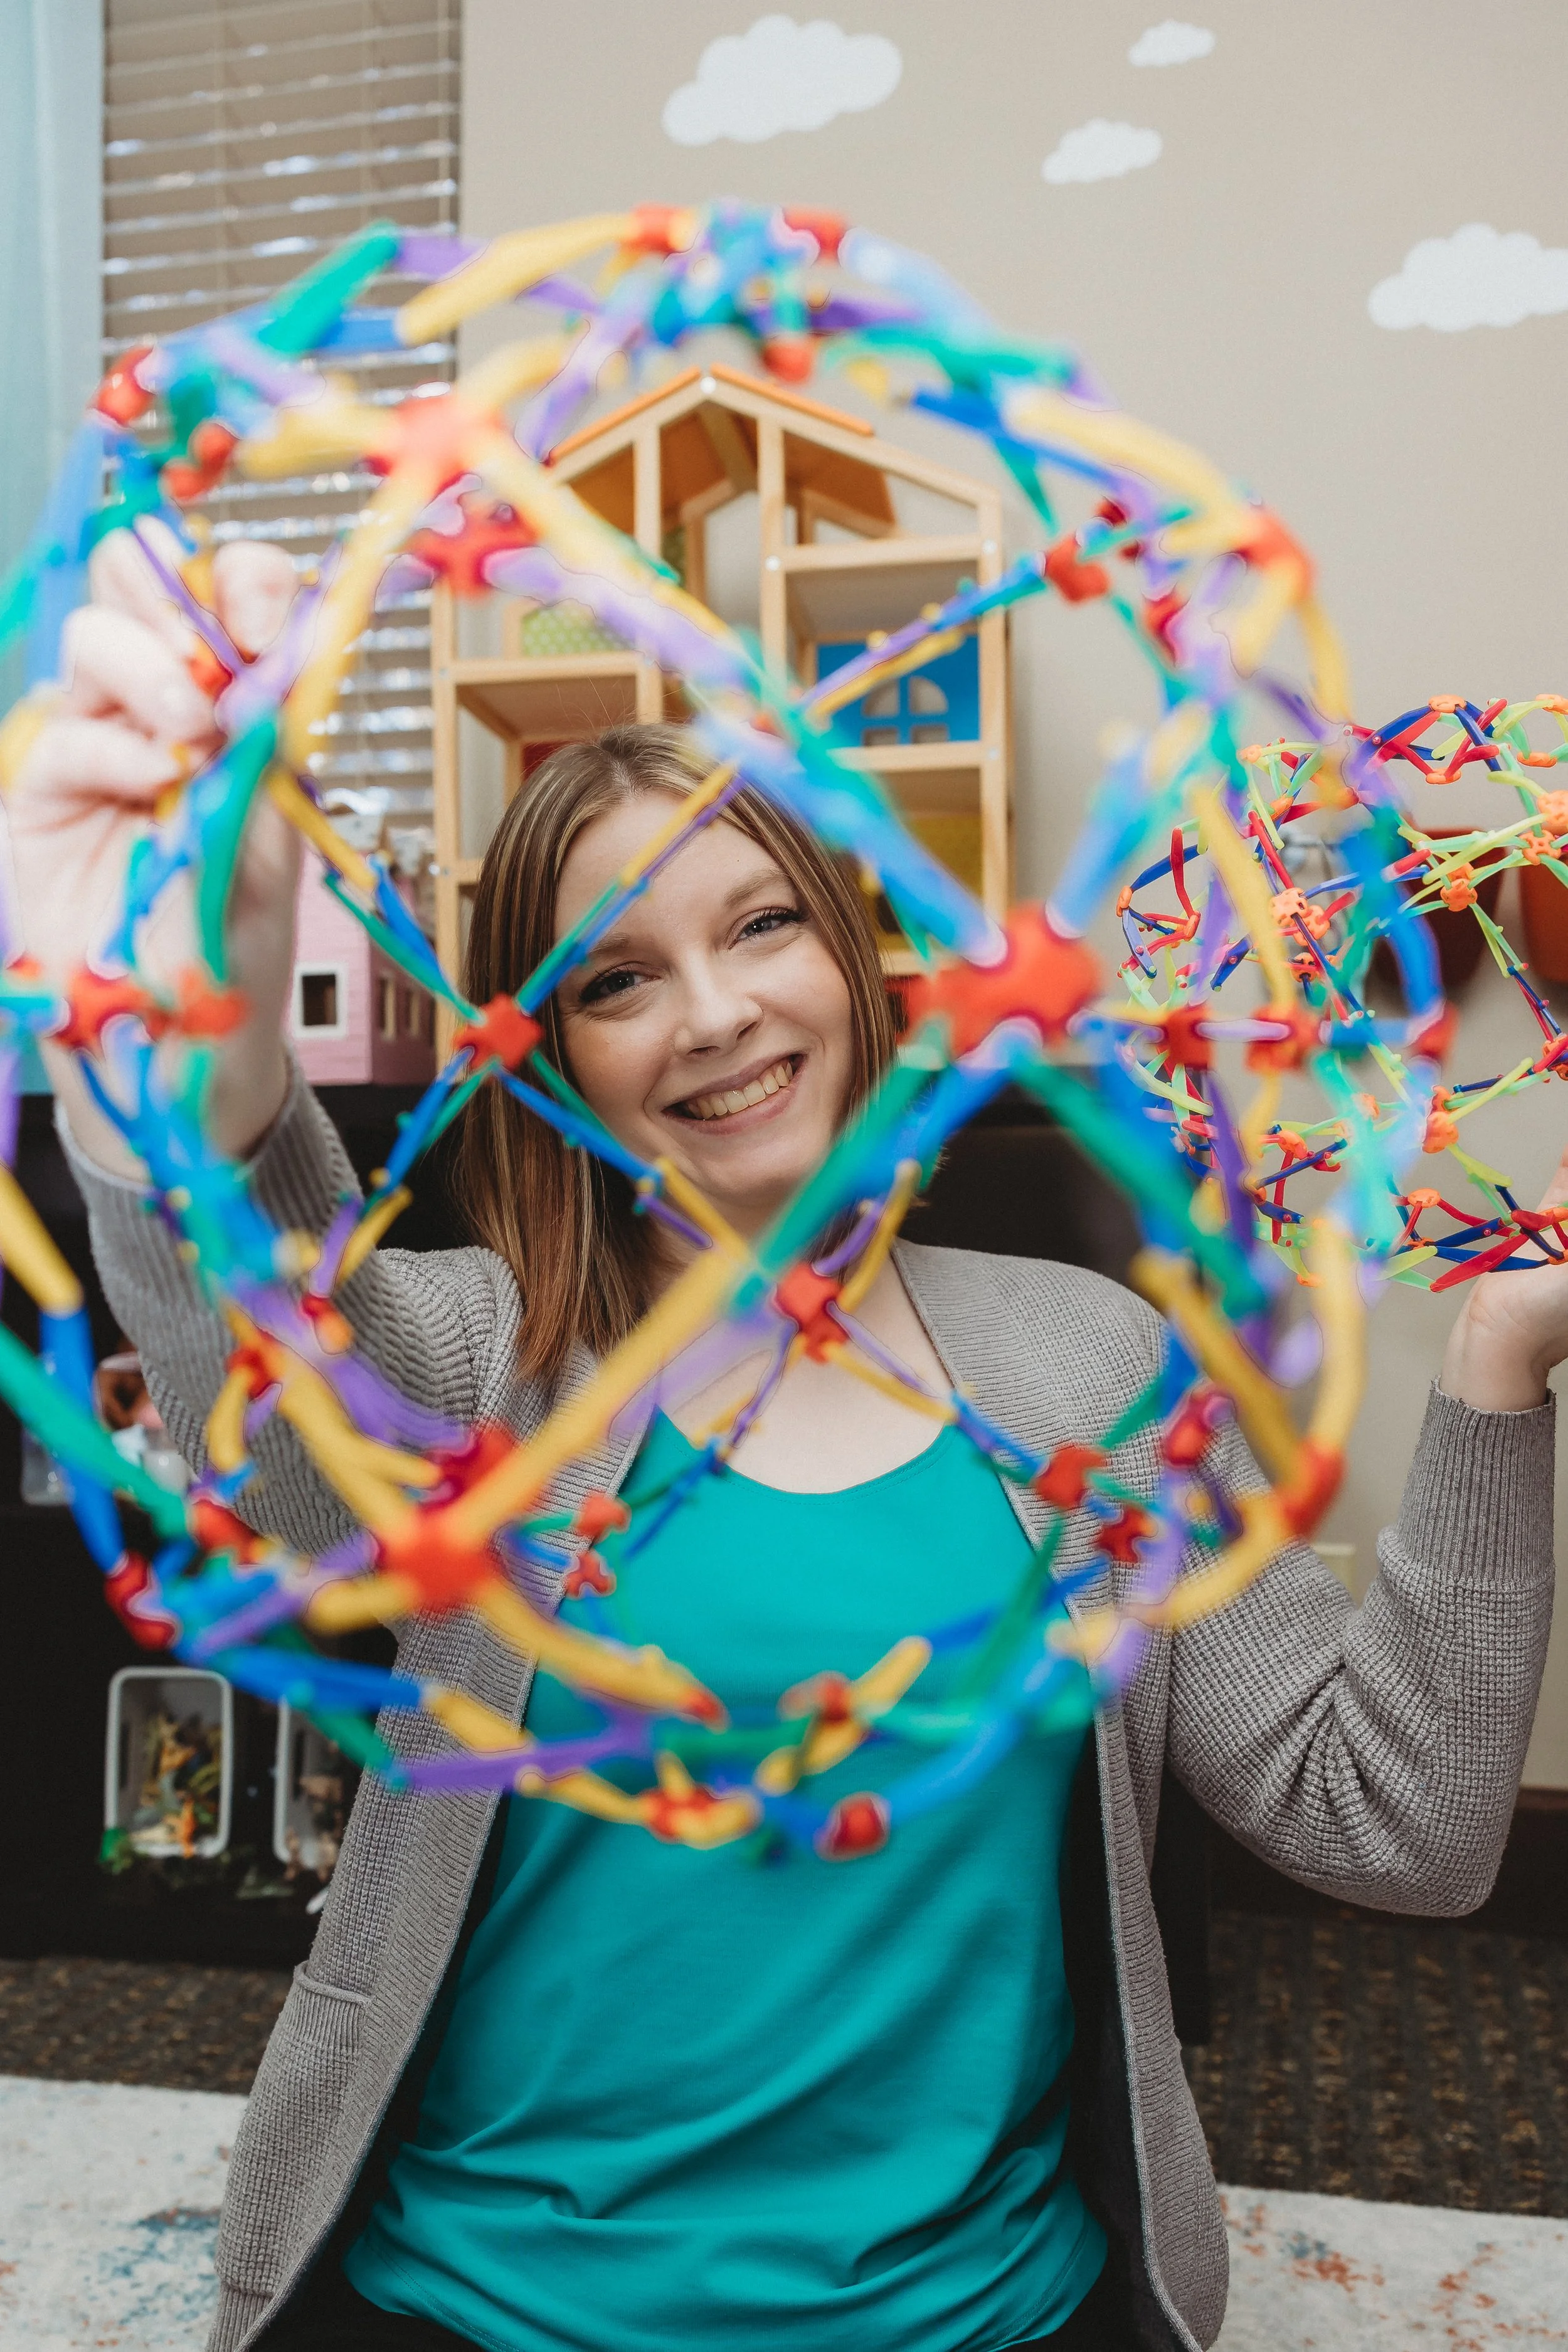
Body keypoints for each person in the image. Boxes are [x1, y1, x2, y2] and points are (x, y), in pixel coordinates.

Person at [9, 537, 1559, 2352]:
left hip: (972, 2312)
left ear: (848, 953)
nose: (720, 1012)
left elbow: (1401, 1819)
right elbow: (256, 1398)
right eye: (616, 977)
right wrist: (206, 1060)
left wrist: (1497, 1361)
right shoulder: (467, 1360)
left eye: (758, 925)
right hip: (480, 2301)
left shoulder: (1093, 1369)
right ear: (544, 1051)